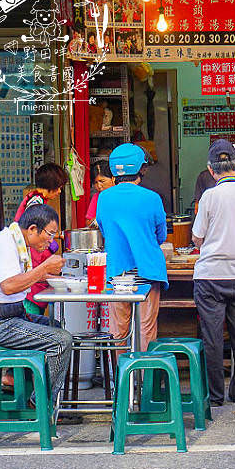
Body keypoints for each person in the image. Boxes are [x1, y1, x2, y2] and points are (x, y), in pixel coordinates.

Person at [0, 204, 73, 409]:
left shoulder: (16, 242)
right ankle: (41, 406)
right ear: (32, 229)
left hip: (9, 316)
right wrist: (44, 268)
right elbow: (9, 286)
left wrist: (53, 276)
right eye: (50, 234)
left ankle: (32, 393)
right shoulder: (6, 244)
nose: (51, 240)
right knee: (61, 340)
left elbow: (19, 279)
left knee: (55, 326)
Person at [191, 140, 235, 406]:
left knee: (212, 335)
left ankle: (215, 395)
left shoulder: (209, 196)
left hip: (210, 275)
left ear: (211, 170)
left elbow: (197, 237)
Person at [95, 143, 167, 350]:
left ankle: (122, 378)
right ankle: (147, 379)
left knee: (118, 330)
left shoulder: (104, 198)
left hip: (117, 270)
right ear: (140, 168)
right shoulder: (152, 198)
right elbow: (160, 236)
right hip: (147, 269)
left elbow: (104, 230)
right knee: (146, 328)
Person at [15, 163, 69, 315]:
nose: (59, 191)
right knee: (31, 310)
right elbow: (33, 235)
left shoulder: (36, 200)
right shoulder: (35, 205)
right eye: (58, 187)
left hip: (34, 262)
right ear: (50, 185)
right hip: (32, 261)